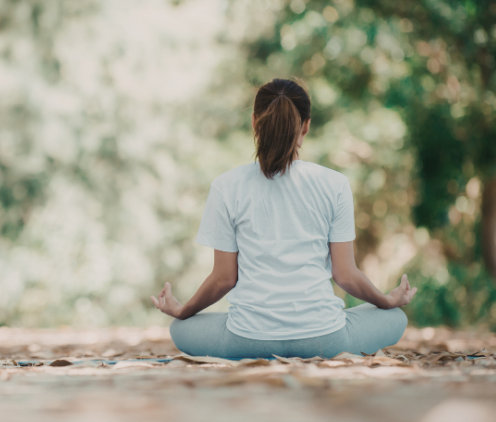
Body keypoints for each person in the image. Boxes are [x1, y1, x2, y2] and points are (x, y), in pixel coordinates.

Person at [151, 78, 417, 359]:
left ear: (254, 122)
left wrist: (182, 311)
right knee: (395, 318)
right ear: (306, 126)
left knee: (180, 329)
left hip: (247, 342)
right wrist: (387, 301)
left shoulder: (226, 185)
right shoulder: (335, 184)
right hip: (325, 340)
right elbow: (345, 275)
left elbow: (223, 279)